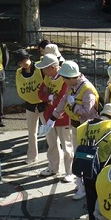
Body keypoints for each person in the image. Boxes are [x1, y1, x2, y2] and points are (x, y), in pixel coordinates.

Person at [46, 60, 100, 200]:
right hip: (76, 126)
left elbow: (87, 111)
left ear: (71, 77)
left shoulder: (87, 89)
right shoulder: (72, 86)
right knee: (79, 157)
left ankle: (86, 188)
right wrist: (52, 118)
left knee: (86, 158)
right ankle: (80, 185)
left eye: (64, 77)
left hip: (88, 129)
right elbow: (64, 101)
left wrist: (74, 105)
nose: (62, 79)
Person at [37, 54, 74, 182]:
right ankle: (53, 167)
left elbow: (61, 100)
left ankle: (70, 171)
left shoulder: (64, 78)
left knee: (67, 146)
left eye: (45, 68)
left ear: (53, 67)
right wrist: (50, 97)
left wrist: (49, 97)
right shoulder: (47, 77)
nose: (43, 70)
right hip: (49, 116)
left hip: (63, 117)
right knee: (52, 144)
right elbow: (40, 93)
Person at [14, 48, 46, 164]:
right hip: (30, 105)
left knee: (50, 132)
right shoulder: (19, 73)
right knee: (31, 132)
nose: (23, 64)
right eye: (20, 62)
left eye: (24, 60)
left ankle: (55, 156)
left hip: (43, 104)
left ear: (28, 58)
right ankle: (32, 156)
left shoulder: (39, 68)